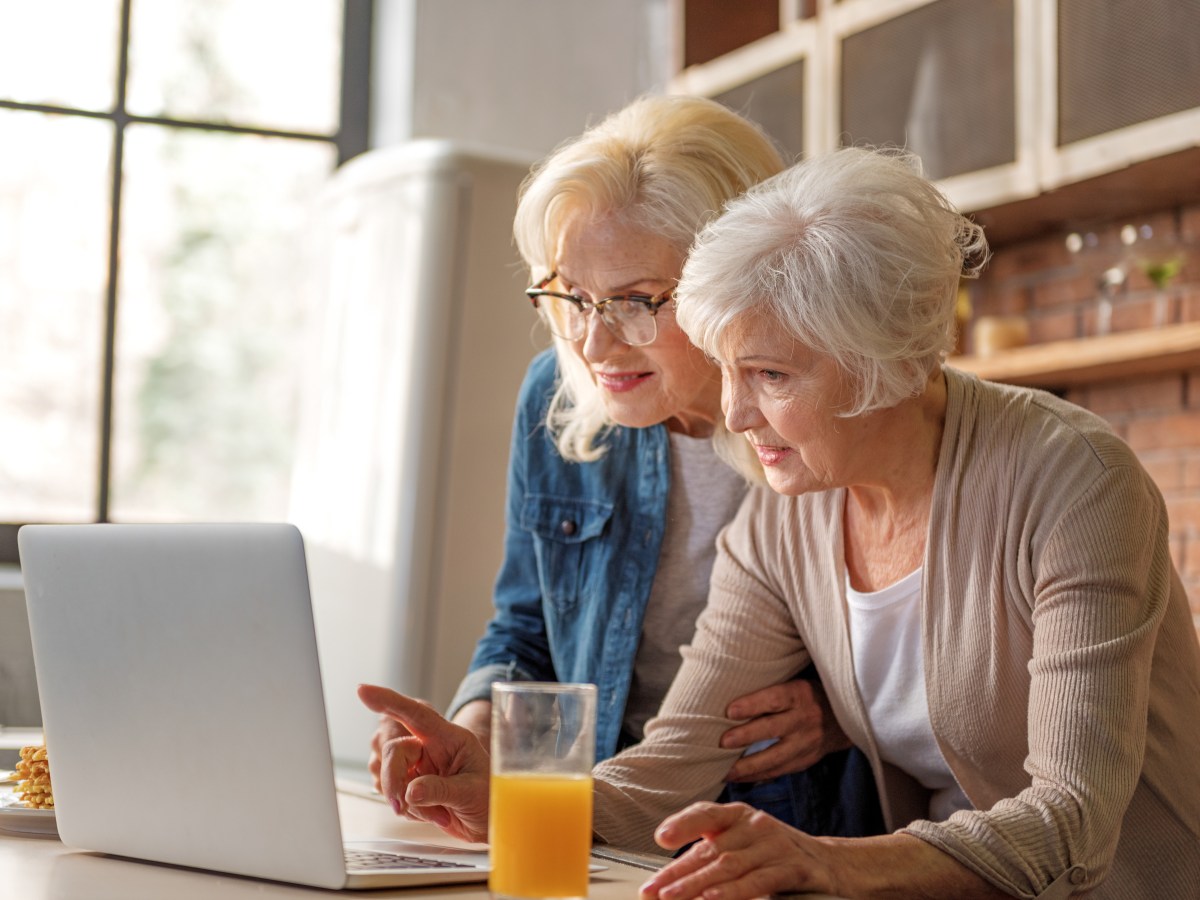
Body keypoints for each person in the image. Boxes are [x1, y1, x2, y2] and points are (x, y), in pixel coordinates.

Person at [360, 145, 1200, 898]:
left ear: (888, 362)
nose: (735, 411)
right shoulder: (779, 520)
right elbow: (672, 765)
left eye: (768, 374)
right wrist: (501, 793)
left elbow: (1074, 822)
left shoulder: (1072, 481)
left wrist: (832, 861)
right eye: (727, 368)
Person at [366, 95, 882, 838]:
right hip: (588, 799)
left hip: (782, 818)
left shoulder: (826, 414)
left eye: (637, 302)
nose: (594, 345)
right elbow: (525, 627)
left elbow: (927, 649)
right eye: (573, 297)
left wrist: (841, 715)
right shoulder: (557, 394)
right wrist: (469, 733)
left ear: (741, 281)